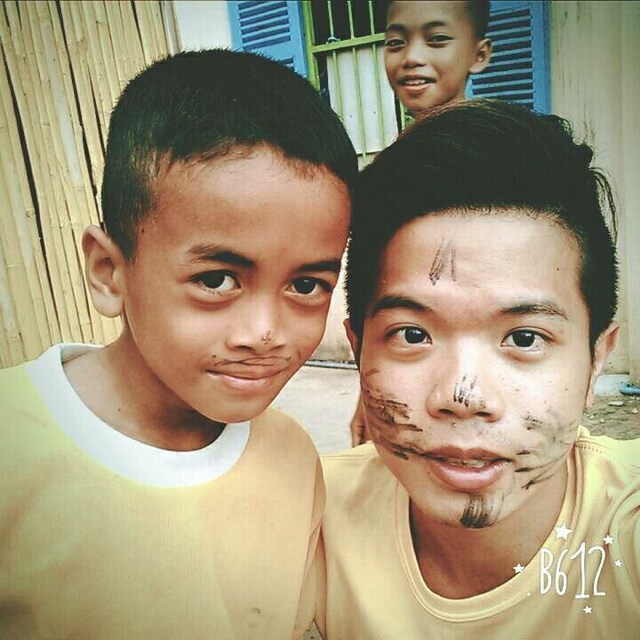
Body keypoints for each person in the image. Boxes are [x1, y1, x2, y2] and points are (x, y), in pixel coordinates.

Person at [0, 49, 356, 639]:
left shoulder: (293, 457)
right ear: (109, 272)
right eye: (216, 280)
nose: (264, 333)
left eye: (305, 285)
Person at [319, 99, 639, 639]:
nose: (463, 397)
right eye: (412, 335)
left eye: (525, 338)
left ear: (596, 359)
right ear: (359, 349)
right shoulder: (309, 517)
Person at [349, 0, 493, 444]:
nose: (412, 57)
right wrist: (369, 389)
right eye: (396, 42)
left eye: (437, 40)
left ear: (479, 54)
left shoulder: (493, 156)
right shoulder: (394, 162)